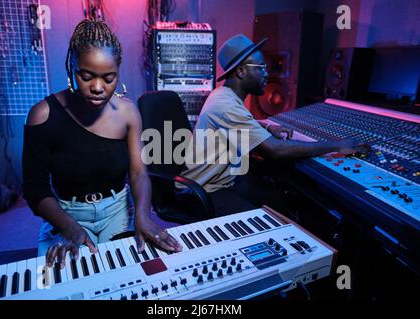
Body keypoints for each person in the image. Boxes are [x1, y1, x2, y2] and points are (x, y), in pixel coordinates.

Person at [22, 19, 181, 268]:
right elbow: (35, 190)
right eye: (86, 76)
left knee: (139, 278)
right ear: (71, 68)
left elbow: (138, 173)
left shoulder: (128, 113)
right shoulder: (42, 115)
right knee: (56, 286)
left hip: (118, 210)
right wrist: (69, 227)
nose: (98, 87)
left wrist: (142, 214)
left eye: (108, 78)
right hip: (66, 214)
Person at [180, 34, 369, 216]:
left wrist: (268, 127)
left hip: (220, 183)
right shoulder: (226, 105)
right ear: (241, 71)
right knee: (268, 224)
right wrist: (336, 145)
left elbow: (242, 123)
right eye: (260, 67)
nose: (266, 73)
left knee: (278, 201)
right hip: (203, 193)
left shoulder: (224, 96)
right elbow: (275, 150)